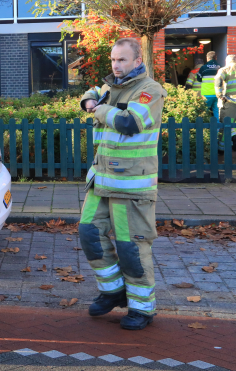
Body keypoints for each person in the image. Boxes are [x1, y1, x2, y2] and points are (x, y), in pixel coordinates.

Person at [78, 37, 167, 331]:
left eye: (122, 60)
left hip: (131, 185)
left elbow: (130, 123)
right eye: (113, 60)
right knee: (89, 233)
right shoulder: (110, 87)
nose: (116, 66)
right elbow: (93, 92)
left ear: (138, 61)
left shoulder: (150, 90)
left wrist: (98, 109)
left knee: (131, 248)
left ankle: (142, 308)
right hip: (102, 180)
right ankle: (113, 291)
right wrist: (88, 100)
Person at [196, 52, 221, 117]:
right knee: (217, 112)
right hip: (218, 93)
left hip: (206, 94)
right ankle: (217, 124)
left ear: (207, 58)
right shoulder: (220, 67)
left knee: (205, 113)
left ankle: (207, 123)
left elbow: (198, 79)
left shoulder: (204, 68)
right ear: (216, 58)